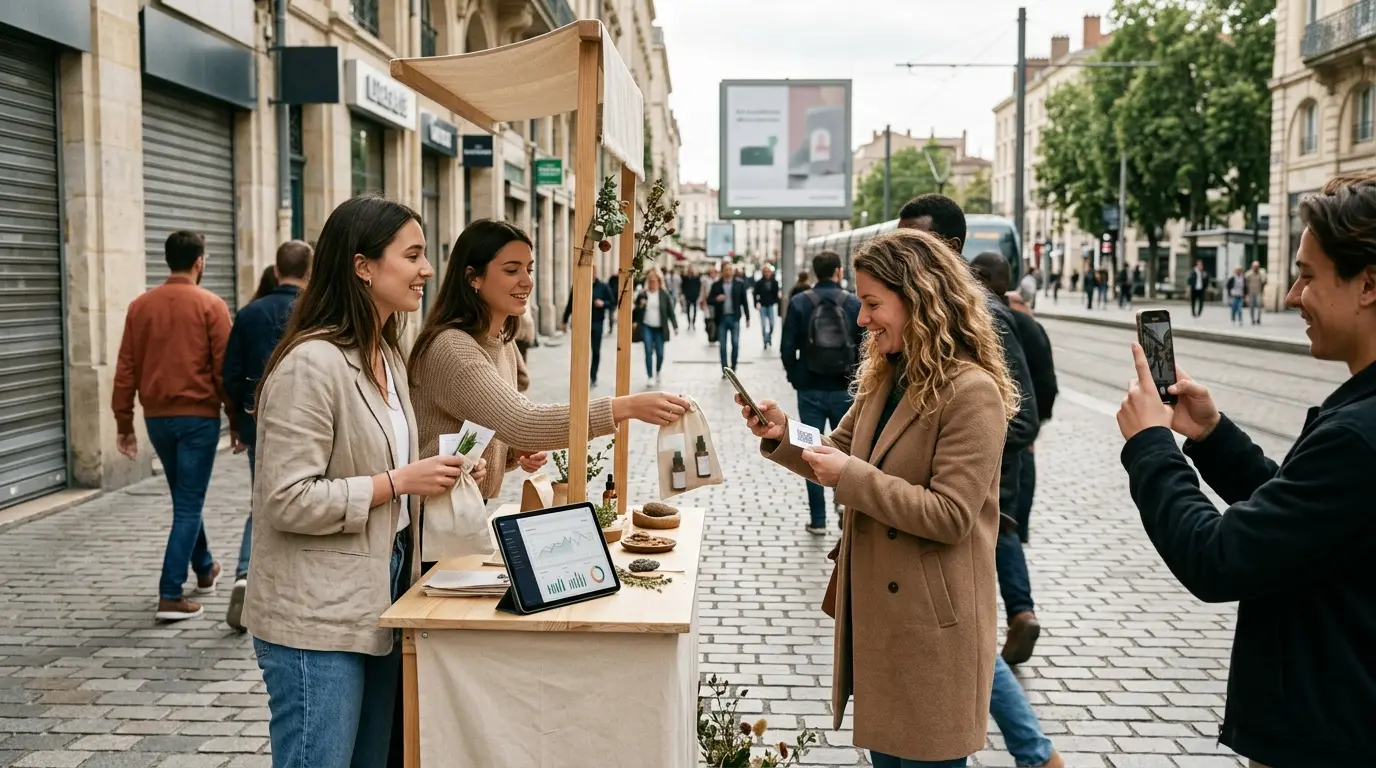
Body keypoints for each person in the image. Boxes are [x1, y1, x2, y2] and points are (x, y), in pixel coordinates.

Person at [1116, 173, 1376, 768]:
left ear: (1368, 285)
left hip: (1327, 738)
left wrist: (1151, 445)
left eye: (1307, 275)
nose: (1292, 296)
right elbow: (1303, 524)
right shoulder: (1359, 423)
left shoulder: (1357, 437)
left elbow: (1219, 558)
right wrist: (1212, 437)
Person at [739, 228, 1018, 767]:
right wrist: (782, 433)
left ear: (919, 299)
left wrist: (851, 476)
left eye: (872, 304)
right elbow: (837, 449)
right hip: (884, 619)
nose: (861, 319)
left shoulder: (971, 391)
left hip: (931, 627)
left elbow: (951, 514)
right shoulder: (889, 374)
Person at [243, 195, 481, 767]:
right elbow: (285, 499)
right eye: (413, 255)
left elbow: (380, 460)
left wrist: (440, 470)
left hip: (385, 590)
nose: (428, 269)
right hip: (315, 615)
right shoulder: (311, 364)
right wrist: (397, 481)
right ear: (363, 266)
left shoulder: (388, 355)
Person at [409, 219, 692, 508]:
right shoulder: (453, 348)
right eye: (512, 270)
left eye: (529, 269)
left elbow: (491, 423)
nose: (527, 281)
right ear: (473, 278)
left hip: (465, 506)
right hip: (430, 514)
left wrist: (512, 451)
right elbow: (521, 420)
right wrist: (627, 407)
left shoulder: (501, 342)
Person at [112, 230, 233, 622]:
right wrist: (236, 419)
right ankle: (170, 594)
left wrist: (124, 422)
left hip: (157, 420)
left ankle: (205, 567)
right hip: (197, 419)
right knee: (188, 503)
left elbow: (126, 367)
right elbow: (224, 370)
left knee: (185, 498)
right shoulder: (211, 305)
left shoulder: (140, 306)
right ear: (199, 262)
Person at [220, 239, 312, 632]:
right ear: (310, 272)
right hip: (309, 424)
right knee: (304, 500)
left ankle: (245, 574)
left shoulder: (249, 312)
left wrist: (238, 423)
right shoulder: (312, 311)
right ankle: (285, 583)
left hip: (258, 423)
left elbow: (230, 373)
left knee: (263, 499)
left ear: (276, 271)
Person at [779, 250, 862, 535]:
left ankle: (818, 519)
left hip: (810, 389)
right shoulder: (853, 303)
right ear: (839, 271)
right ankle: (845, 506)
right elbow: (866, 348)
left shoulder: (800, 302)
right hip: (844, 389)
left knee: (810, 450)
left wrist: (796, 378)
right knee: (848, 451)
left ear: (815, 272)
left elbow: (787, 348)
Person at [561, 263, 615, 387]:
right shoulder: (578, 285)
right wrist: (564, 320)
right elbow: (570, 304)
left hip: (597, 323)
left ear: (595, 273)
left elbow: (612, 303)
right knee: (580, 352)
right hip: (581, 323)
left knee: (595, 351)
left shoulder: (603, 287)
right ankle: (581, 376)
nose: (591, 274)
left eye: (593, 271)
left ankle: (593, 376)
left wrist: (603, 303)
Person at [633, 267, 678, 384]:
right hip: (647, 326)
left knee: (660, 353)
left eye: (654, 281)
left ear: (659, 282)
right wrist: (641, 306)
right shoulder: (643, 294)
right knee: (648, 351)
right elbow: (635, 310)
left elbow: (670, 311)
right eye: (650, 281)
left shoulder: (664, 294)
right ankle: (650, 376)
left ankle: (658, 370)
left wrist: (675, 326)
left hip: (660, 328)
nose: (652, 284)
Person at [707, 262, 750, 375]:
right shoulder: (717, 285)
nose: (728, 272)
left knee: (735, 343)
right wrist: (717, 299)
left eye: (730, 269)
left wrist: (747, 317)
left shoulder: (739, 284)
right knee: (723, 346)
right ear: (722, 271)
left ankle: (734, 366)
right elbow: (709, 300)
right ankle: (725, 369)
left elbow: (744, 301)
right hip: (722, 319)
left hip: (734, 318)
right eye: (726, 269)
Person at [753, 263, 782, 350]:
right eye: (765, 271)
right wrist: (756, 303)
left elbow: (776, 294)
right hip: (762, 305)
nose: (766, 273)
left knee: (772, 323)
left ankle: (768, 337)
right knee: (763, 325)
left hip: (771, 305)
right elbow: (755, 293)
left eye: (768, 271)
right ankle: (765, 340)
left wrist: (777, 301)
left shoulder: (774, 282)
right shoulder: (759, 283)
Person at [1245, 260, 1267, 324]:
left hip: (1258, 292)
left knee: (1259, 306)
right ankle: (1252, 319)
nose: (1256, 267)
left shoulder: (1261, 273)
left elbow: (1264, 282)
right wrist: (1246, 294)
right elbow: (1245, 283)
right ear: (1252, 266)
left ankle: (1258, 319)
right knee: (1251, 307)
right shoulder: (1248, 274)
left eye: (1257, 266)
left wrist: (1262, 274)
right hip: (1251, 292)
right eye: (1254, 266)